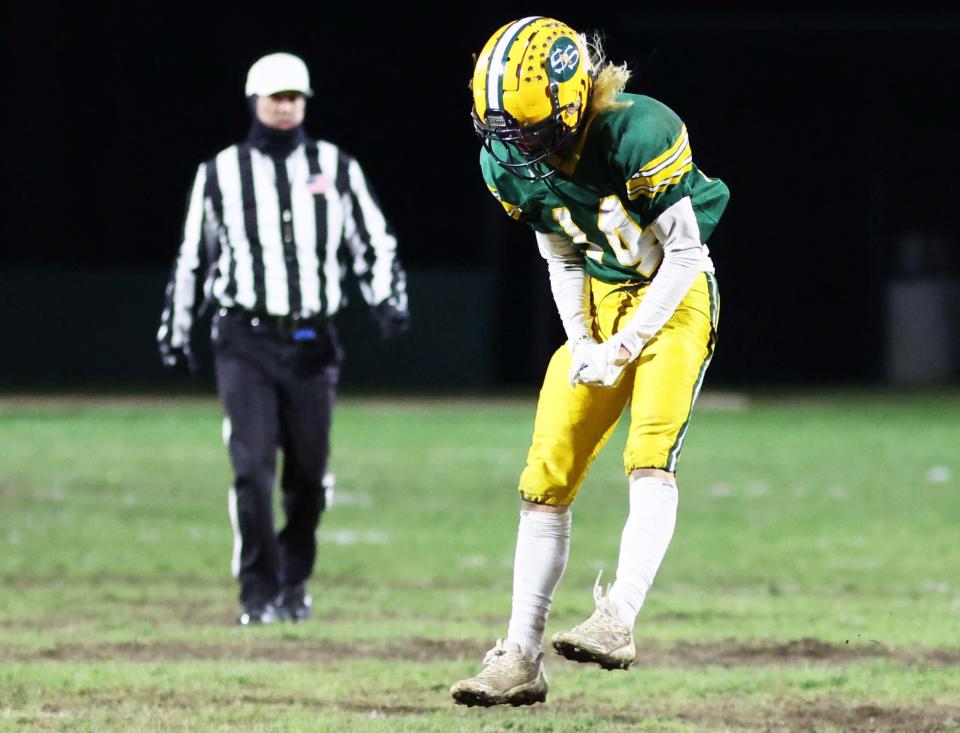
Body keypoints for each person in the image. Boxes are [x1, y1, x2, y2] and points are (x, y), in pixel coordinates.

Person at [450, 17, 729, 706]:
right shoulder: (508, 162)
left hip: (674, 298)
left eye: (531, 130)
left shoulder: (639, 132)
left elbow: (686, 253)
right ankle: (519, 654)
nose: (518, 150)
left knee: (649, 454)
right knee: (545, 476)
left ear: (572, 103)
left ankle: (618, 616)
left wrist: (626, 345)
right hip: (600, 307)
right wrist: (582, 343)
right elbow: (561, 250)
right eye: (506, 131)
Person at [157, 52, 409, 625]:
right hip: (244, 339)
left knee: (308, 477)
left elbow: (373, 241)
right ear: (255, 101)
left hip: (313, 344)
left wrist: (386, 298)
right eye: (276, 96)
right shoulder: (220, 171)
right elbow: (194, 256)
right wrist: (176, 329)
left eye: (295, 97)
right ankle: (257, 591)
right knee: (251, 470)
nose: (286, 105)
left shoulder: (336, 167)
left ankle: (294, 582)